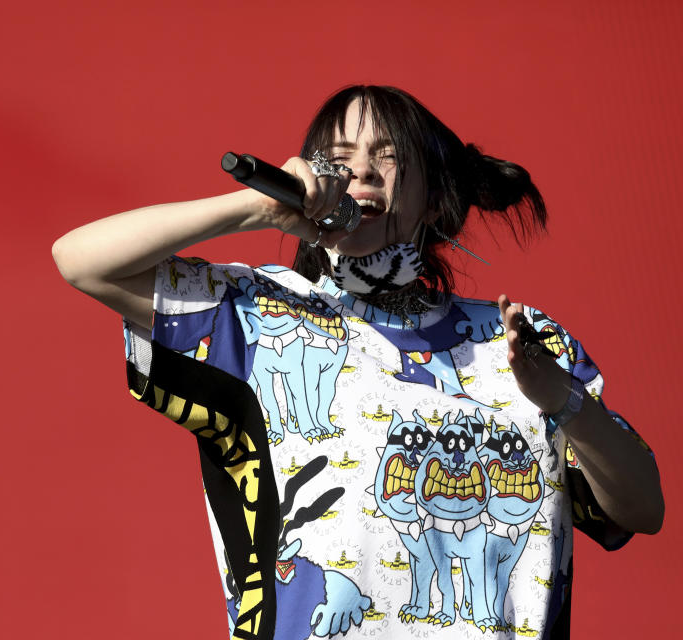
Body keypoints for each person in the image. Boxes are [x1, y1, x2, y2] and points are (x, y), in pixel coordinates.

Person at [51, 85, 663, 640]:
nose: (361, 169)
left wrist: (564, 404)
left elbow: (642, 509)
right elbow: (82, 260)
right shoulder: (259, 316)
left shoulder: (520, 341)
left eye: (388, 155)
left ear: (435, 198)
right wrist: (255, 209)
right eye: (338, 156)